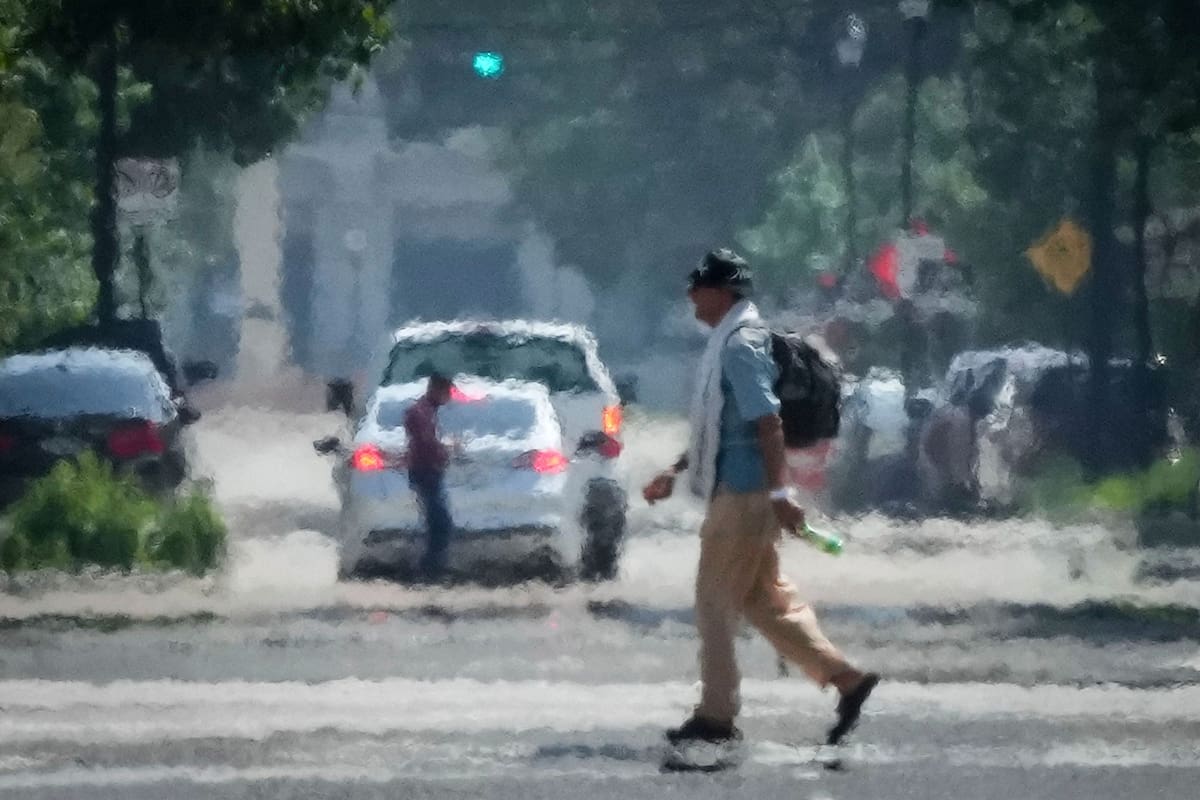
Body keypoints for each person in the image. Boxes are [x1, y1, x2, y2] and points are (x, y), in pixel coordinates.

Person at [642, 249, 879, 747]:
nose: (690, 295)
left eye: (698, 286)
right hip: (742, 488)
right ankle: (847, 680)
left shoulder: (739, 346)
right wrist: (676, 469)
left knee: (713, 603)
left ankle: (716, 715)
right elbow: (721, 427)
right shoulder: (727, 342)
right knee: (765, 600)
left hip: (745, 493)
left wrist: (779, 493)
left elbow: (767, 423)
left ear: (722, 291)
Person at [404, 373, 456, 579]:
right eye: (447, 392)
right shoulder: (420, 412)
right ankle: (431, 569)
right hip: (425, 471)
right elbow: (425, 443)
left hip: (429, 471)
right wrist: (445, 450)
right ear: (437, 390)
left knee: (438, 521)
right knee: (441, 523)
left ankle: (433, 565)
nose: (449, 398)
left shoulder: (428, 411)